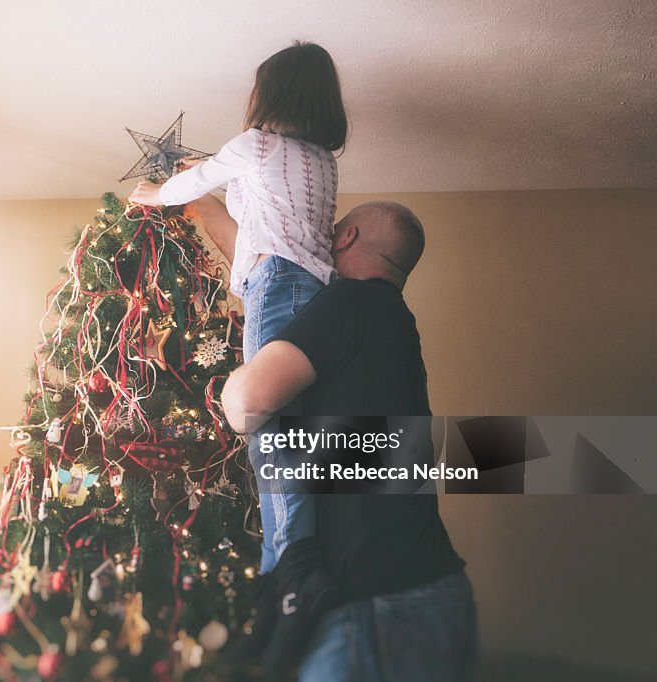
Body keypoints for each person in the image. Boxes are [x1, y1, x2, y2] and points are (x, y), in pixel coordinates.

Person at [129, 41, 347, 663]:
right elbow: (251, 220)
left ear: (268, 97)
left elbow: (183, 187)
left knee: (268, 433)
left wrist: (150, 192)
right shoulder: (320, 162)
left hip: (275, 287)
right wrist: (210, 203)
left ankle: (291, 576)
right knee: (299, 432)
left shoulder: (255, 146)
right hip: (314, 292)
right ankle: (294, 568)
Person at [220, 201, 477, 681]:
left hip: (372, 603)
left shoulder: (350, 303)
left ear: (347, 237)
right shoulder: (393, 321)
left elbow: (246, 405)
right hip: (429, 590)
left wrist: (229, 381)